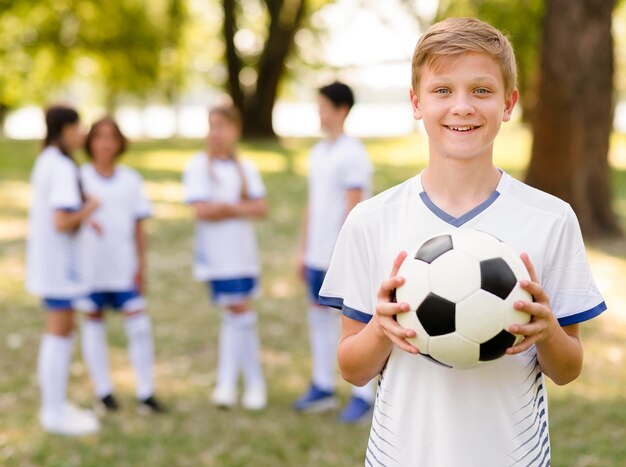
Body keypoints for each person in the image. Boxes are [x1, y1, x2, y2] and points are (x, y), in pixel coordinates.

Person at [319, 17, 607, 466]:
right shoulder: (371, 220)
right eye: (442, 90)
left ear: (509, 103)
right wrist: (381, 326)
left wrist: (547, 331)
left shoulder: (551, 218)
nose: (462, 106)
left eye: (481, 90)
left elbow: (568, 369)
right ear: (416, 102)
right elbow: (352, 369)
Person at [294, 81, 375, 423]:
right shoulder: (318, 153)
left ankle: (364, 395)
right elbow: (314, 206)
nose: (319, 112)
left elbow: (352, 207)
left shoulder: (352, 153)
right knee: (317, 317)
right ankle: (323, 386)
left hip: (340, 255)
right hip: (315, 255)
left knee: (353, 321)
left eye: (323, 106)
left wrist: (342, 256)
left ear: (341, 110)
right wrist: (303, 250)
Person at [183, 104, 268, 410]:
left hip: (243, 254)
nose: (215, 132)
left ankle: (232, 384)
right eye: (211, 125)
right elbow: (202, 210)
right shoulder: (198, 166)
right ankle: (245, 383)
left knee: (237, 315)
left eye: (222, 126)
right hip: (217, 257)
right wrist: (237, 207)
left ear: (235, 130)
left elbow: (260, 208)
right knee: (239, 313)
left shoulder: (245, 169)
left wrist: (227, 208)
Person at [78, 117, 165, 415]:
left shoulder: (130, 179)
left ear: (119, 142)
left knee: (139, 325)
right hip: (91, 270)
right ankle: (103, 392)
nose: (104, 143)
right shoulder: (80, 178)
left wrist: (142, 265)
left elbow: (139, 226)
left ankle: (146, 392)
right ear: (89, 142)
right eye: (98, 137)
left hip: (124, 267)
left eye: (110, 137)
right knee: (93, 323)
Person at [25, 105, 101, 436]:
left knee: (61, 334)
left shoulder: (48, 160)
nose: (82, 134)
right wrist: (90, 208)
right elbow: (61, 221)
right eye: (78, 127)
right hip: (60, 267)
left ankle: (57, 404)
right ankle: (53, 412)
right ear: (65, 129)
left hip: (52, 263)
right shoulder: (60, 166)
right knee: (59, 335)